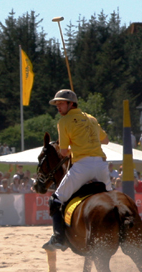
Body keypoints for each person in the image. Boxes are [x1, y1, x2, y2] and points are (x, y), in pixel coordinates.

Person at [43, 89, 111, 251]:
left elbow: (65, 152)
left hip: (82, 167)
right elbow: (106, 140)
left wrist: (65, 146)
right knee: (112, 200)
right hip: (101, 166)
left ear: (71, 104)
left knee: (55, 200)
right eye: (57, 104)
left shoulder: (64, 122)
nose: (58, 107)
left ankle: (59, 238)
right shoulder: (92, 119)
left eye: (61, 103)